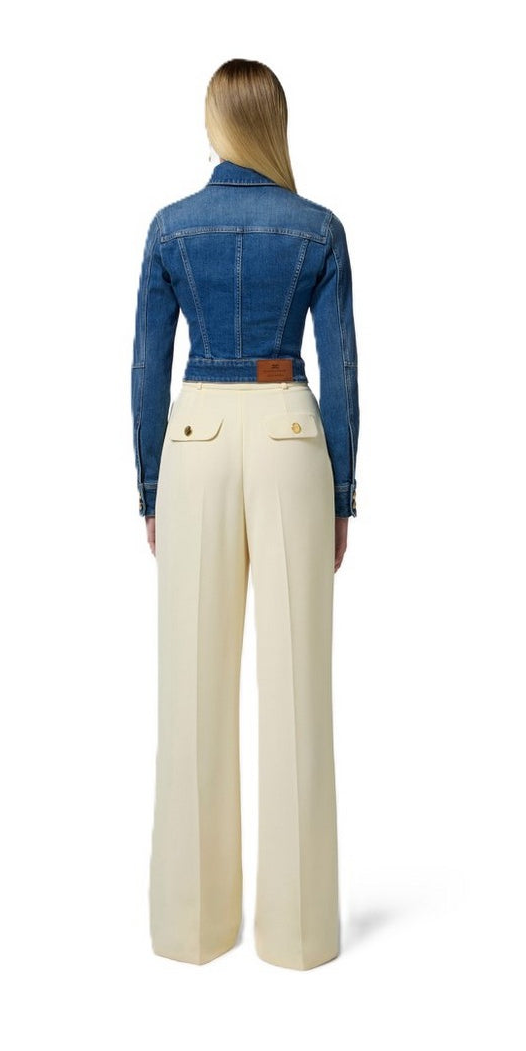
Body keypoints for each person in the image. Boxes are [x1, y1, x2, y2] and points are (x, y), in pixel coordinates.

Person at [130, 59, 360, 970]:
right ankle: (298, 935)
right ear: (274, 124)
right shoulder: (320, 228)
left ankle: (192, 928)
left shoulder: (170, 227)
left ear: (216, 123)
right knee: (299, 683)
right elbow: (342, 370)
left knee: (191, 682)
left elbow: (148, 366)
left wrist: (152, 485)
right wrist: (341, 493)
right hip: (292, 433)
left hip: (194, 437)